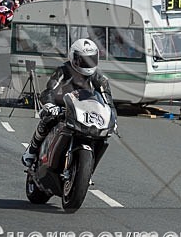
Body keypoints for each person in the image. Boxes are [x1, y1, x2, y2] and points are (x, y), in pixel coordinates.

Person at [21, 39, 115, 171]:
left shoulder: (100, 78)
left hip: (87, 111)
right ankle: (32, 149)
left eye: (91, 59)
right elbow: (48, 91)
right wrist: (50, 105)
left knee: (103, 136)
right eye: (83, 60)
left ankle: (87, 169)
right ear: (73, 57)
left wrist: (113, 119)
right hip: (63, 107)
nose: (87, 64)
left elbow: (108, 102)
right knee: (48, 119)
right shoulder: (63, 71)